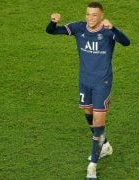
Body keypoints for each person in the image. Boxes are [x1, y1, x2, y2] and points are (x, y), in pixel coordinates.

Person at [46, 2, 130, 179]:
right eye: (88, 14)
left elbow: (126, 42)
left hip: (102, 83)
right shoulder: (79, 27)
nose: (90, 18)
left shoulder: (108, 31)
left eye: (94, 15)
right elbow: (52, 31)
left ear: (101, 16)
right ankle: (104, 145)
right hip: (85, 81)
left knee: (98, 124)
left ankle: (92, 166)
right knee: (88, 114)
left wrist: (114, 28)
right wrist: (53, 22)